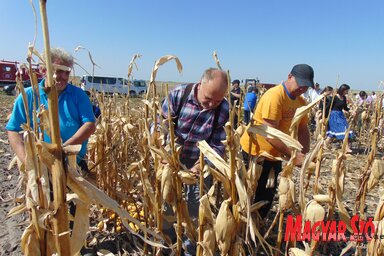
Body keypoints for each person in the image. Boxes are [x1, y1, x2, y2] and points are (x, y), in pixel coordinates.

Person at [161, 68, 229, 255]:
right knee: (166, 203)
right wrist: (165, 154)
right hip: (171, 159)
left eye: (217, 101)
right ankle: (167, 243)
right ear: (200, 85)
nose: (211, 105)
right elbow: (159, 126)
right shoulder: (178, 95)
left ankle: (192, 247)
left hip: (200, 162)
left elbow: (218, 145)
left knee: (196, 209)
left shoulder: (223, 109)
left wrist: (201, 165)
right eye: (208, 98)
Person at [240, 64, 312, 218]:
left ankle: (258, 224)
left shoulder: (300, 102)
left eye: (306, 86)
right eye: (300, 83)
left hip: (275, 154)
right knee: (246, 192)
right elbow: (270, 134)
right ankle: (242, 229)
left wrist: (304, 154)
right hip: (255, 153)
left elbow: (303, 129)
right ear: (289, 77)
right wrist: (294, 155)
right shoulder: (275, 96)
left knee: (267, 193)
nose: (302, 88)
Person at [6, 47, 96, 170]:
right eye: (59, 71)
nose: (64, 77)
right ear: (43, 70)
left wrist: (63, 149)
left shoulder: (79, 95)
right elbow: (13, 130)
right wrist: (29, 163)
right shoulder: (28, 96)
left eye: (67, 72)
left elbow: (89, 125)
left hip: (73, 164)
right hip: (40, 168)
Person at [325, 84, 354, 151]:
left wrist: (351, 110)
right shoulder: (334, 98)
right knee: (344, 130)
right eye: (347, 90)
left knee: (335, 132)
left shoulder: (344, 98)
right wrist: (325, 117)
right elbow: (327, 107)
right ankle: (346, 148)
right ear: (343, 90)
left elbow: (345, 108)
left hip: (340, 115)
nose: (347, 92)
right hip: (334, 116)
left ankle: (324, 144)